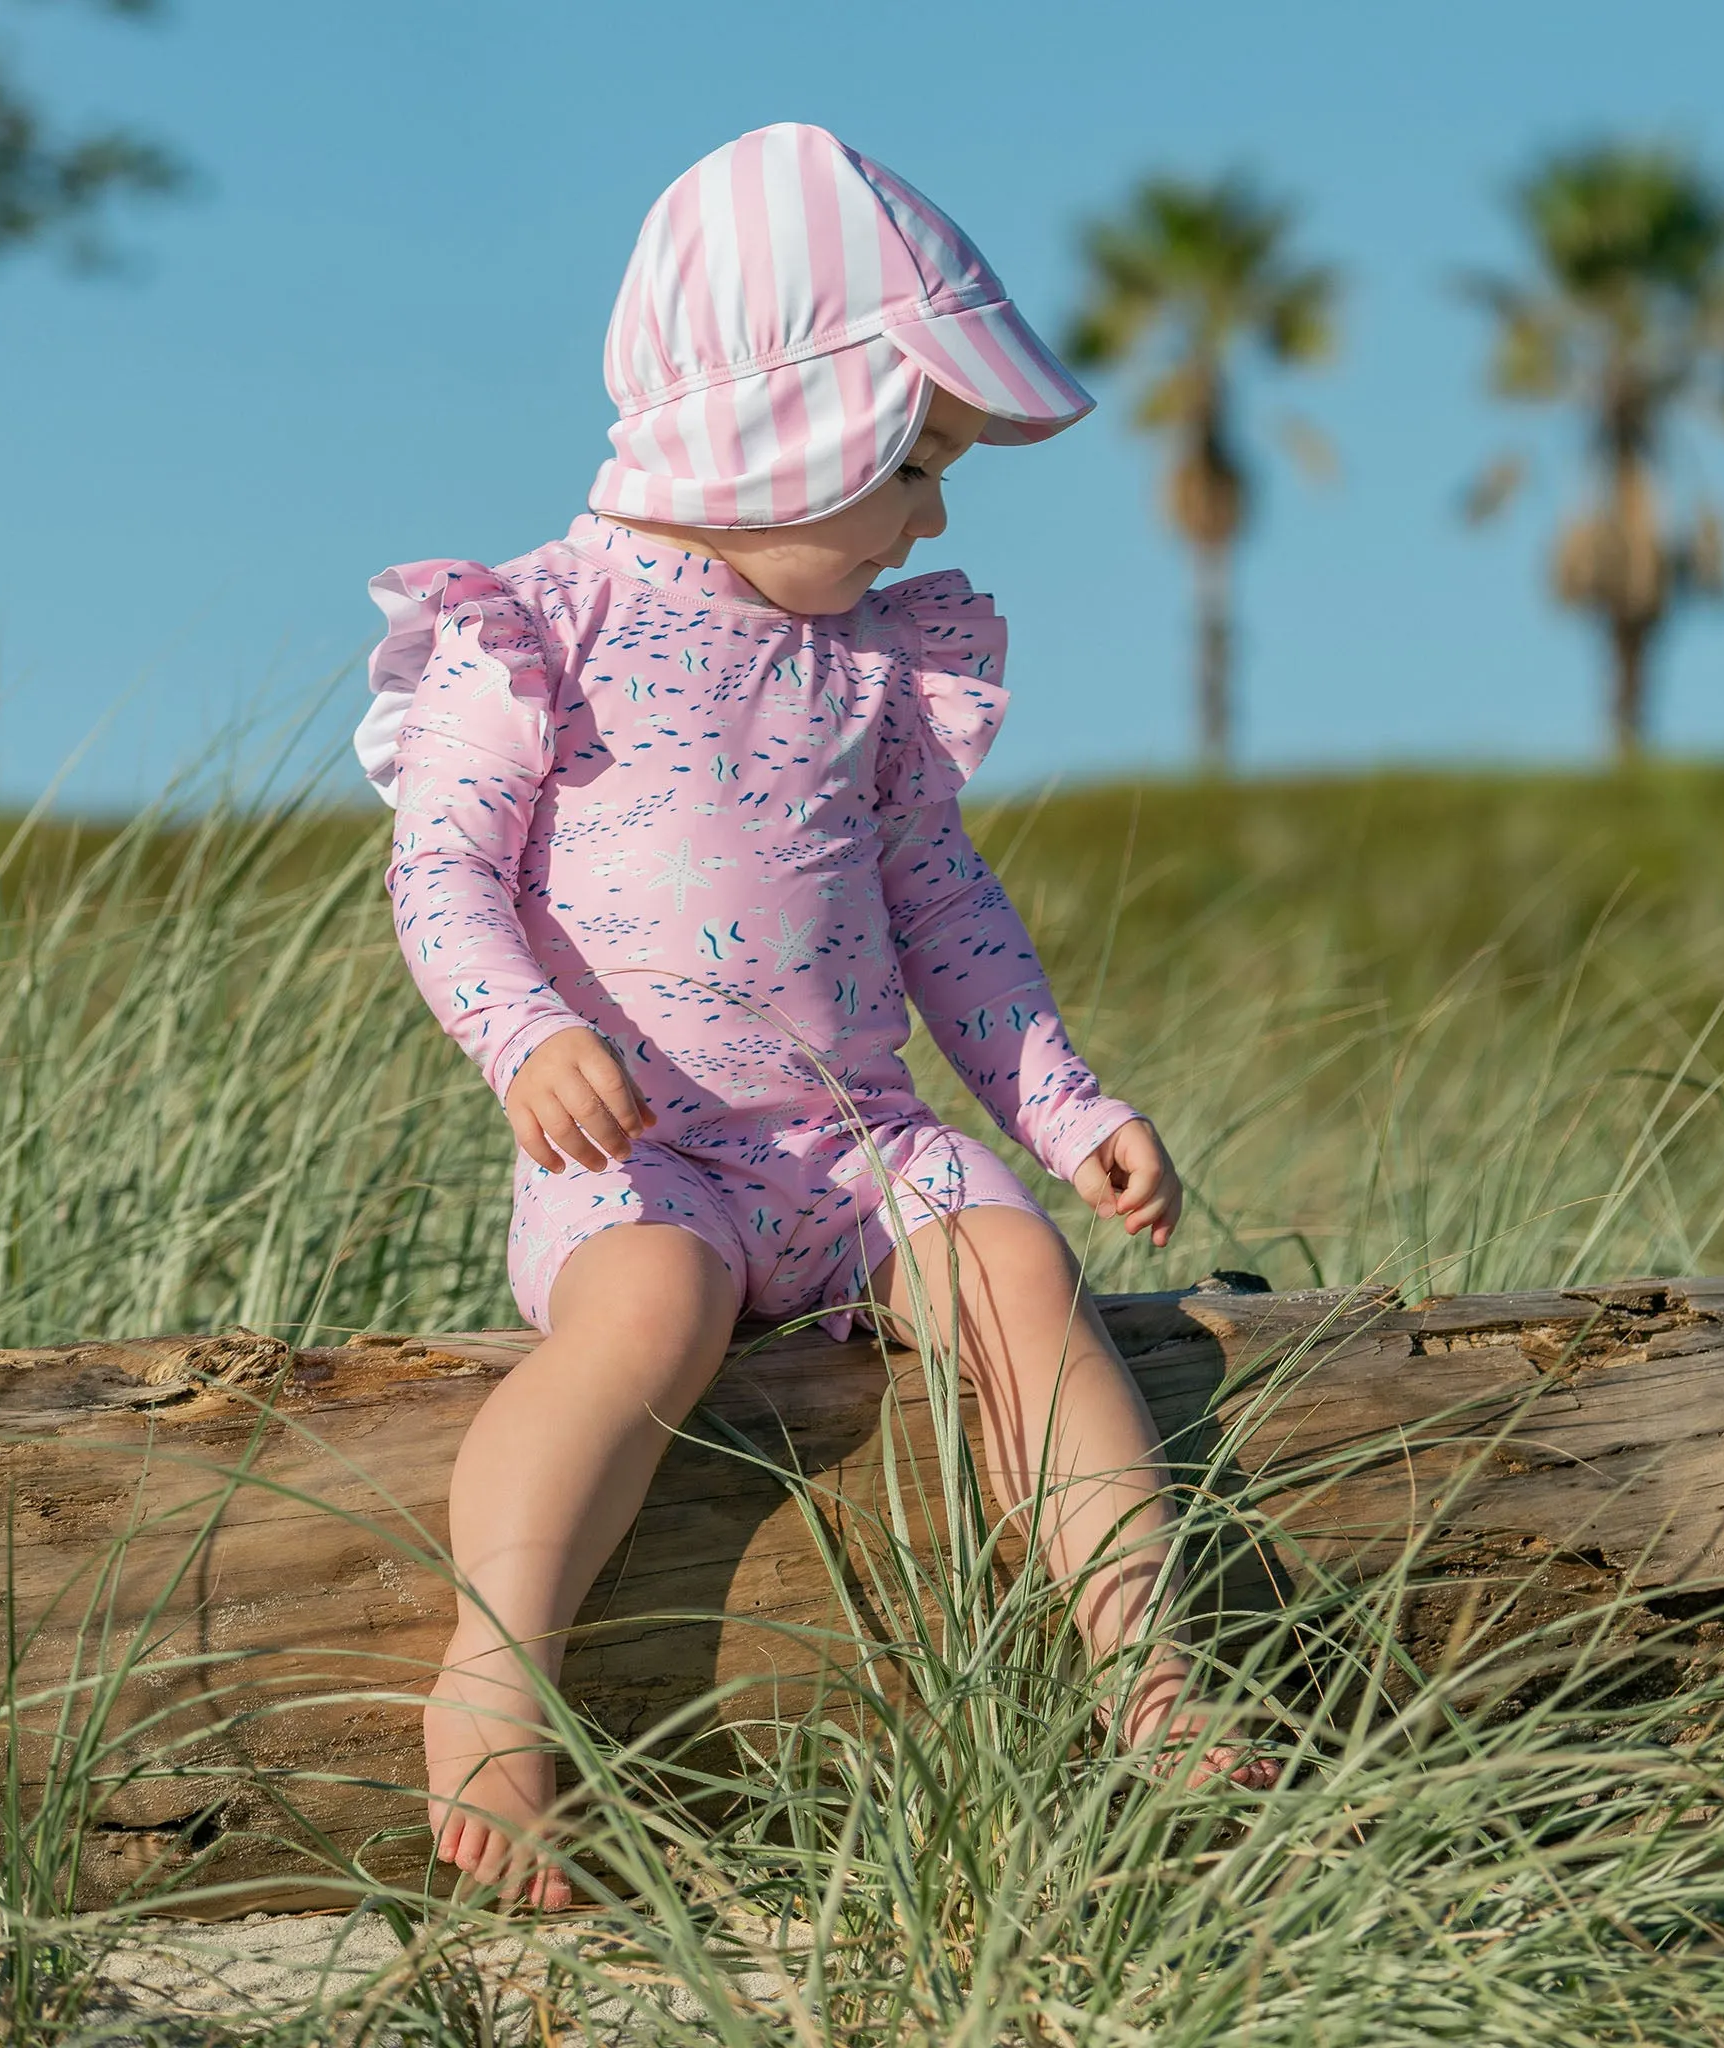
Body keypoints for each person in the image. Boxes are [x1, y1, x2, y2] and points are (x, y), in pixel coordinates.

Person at [356, 122, 1279, 1908]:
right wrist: (527, 1037)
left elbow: (944, 904)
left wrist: (1065, 1106)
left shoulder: (871, 653)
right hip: (654, 1148)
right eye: (916, 461)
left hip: (862, 1150)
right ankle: (492, 1676)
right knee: (642, 1319)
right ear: (782, 429)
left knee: (1018, 1276)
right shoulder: (537, 627)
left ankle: (1147, 1661)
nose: (934, 511)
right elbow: (442, 875)